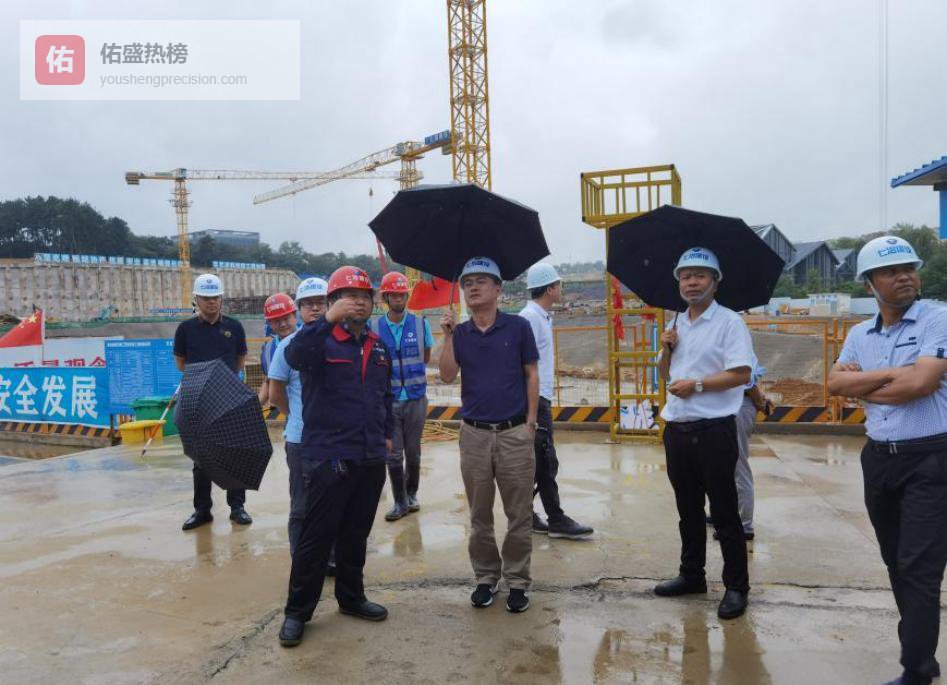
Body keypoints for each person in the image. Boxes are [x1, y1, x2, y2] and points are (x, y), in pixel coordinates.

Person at [828, 236, 947, 685]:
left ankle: (916, 669)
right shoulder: (860, 334)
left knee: (919, 567)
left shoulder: (938, 318)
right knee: (896, 560)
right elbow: (835, 384)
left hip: (931, 459)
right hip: (878, 460)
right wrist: (895, 375)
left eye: (909, 268)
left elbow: (922, 385)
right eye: (891, 271)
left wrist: (866, 385)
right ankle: (920, 652)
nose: (904, 277)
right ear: (869, 283)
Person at [277, 266, 393, 648]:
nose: (358, 302)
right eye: (349, 296)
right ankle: (297, 612)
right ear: (332, 302)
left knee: (356, 534)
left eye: (364, 296)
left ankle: (351, 596)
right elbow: (294, 356)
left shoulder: (377, 345)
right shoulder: (318, 341)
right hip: (329, 457)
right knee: (316, 537)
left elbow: (384, 396)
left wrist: (386, 436)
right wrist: (326, 320)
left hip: (369, 456)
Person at [653, 247, 752, 620]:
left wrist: (696, 385)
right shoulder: (676, 322)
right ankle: (691, 574)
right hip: (678, 428)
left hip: (714, 429)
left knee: (724, 512)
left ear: (715, 281)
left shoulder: (729, 323)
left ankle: (736, 586)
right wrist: (667, 348)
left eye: (699, 275)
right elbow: (664, 374)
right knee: (687, 509)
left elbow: (741, 374)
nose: (691, 282)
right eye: (685, 276)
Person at [439, 256, 539, 614]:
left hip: (514, 433)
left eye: (481, 281)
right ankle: (485, 577)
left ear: (498, 289)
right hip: (475, 435)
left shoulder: (518, 327)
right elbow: (447, 375)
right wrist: (447, 336)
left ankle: (517, 580)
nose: (473, 288)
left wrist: (530, 423)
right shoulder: (460, 333)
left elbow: (531, 374)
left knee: (519, 513)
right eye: (467, 283)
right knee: (479, 513)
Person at [519, 262, 593, 539]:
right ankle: (555, 518)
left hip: (542, 397)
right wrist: (531, 409)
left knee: (542, 461)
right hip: (535, 399)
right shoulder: (530, 318)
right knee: (545, 460)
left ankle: (527, 514)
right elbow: (521, 364)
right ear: (550, 288)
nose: (561, 289)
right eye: (559, 285)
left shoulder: (541, 316)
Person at [173, 273, 252, 531]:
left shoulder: (234, 327)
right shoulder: (185, 330)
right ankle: (202, 510)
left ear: (221, 298)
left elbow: (239, 360)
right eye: (206, 297)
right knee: (201, 458)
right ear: (196, 299)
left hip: (229, 398)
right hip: (199, 399)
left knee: (235, 452)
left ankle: (237, 507)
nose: (211, 302)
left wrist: (222, 382)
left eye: (216, 297)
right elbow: (181, 363)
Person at [266, 278, 328, 555]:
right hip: (301, 440)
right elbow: (275, 394)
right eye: (308, 304)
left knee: (332, 502)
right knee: (302, 506)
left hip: (335, 440)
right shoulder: (288, 346)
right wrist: (297, 416)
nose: (315, 308)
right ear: (300, 310)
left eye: (320, 303)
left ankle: (330, 556)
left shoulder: (341, 343)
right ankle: (302, 561)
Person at [370, 271, 434, 521]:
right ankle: (399, 502)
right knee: (393, 454)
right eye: (393, 295)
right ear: (386, 298)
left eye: (402, 294)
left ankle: (412, 494)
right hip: (389, 401)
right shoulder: (374, 327)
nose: (398, 299)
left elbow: (425, 356)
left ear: (407, 296)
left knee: (413, 452)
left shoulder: (420, 324)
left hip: (416, 398)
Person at [713, 354, 772, 544]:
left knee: (738, 465)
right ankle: (727, 515)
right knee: (725, 466)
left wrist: (760, 401)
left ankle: (744, 525)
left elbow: (748, 382)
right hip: (730, 406)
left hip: (739, 406)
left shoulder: (738, 347)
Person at [258, 293, 298, 407]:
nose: (283, 324)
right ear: (269, 323)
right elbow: (269, 381)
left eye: (286, 318)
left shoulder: (309, 340)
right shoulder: (268, 349)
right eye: (276, 320)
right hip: (286, 410)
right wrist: (254, 408)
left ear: (294, 316)